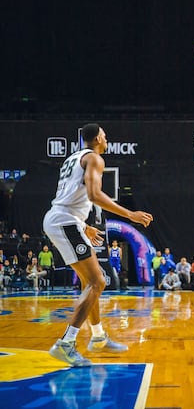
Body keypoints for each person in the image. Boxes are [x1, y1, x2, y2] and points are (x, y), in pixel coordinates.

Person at [43, 123, 153, 367]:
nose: (107, 140)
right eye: (104, 136)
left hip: (62, 219)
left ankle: (99, 337)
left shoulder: (73, 158)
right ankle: (66, 343)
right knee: (98, 281)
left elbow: (69, 199)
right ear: (95, 139)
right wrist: (129, 214)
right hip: (64, 221)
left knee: (88, 282)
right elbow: (93, 195)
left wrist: (83, 225)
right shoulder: (94, 158)